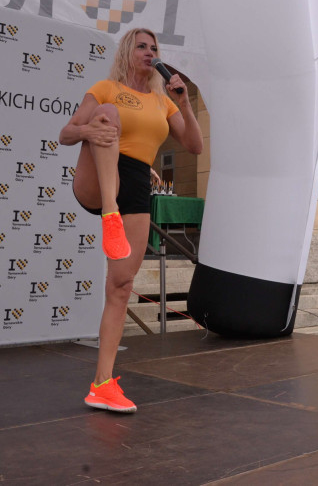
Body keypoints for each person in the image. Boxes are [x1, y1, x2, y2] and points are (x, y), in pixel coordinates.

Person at [59, 28, 203, 413]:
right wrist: (89, 130)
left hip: (136, 183)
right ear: (128, 51)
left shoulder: (163, 102)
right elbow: (67, 133)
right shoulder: (106, 88)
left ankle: (102, 384)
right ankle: (110, 212)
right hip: (98, 174)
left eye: (154, 48)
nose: (149, 52)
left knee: (121, 286)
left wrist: (184, 103)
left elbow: (195, 146)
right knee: (106, 115)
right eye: (142, 46)